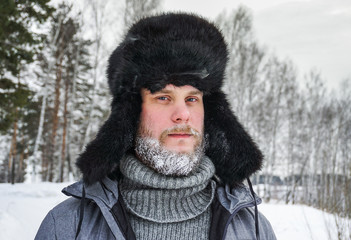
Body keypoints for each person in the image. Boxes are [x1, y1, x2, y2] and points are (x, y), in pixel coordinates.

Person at [35, 13, 276, 240]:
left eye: (192, 99)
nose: (183, 115)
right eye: (163, 97)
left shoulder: (252, 228)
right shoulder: (68, 226)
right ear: (131, 113)